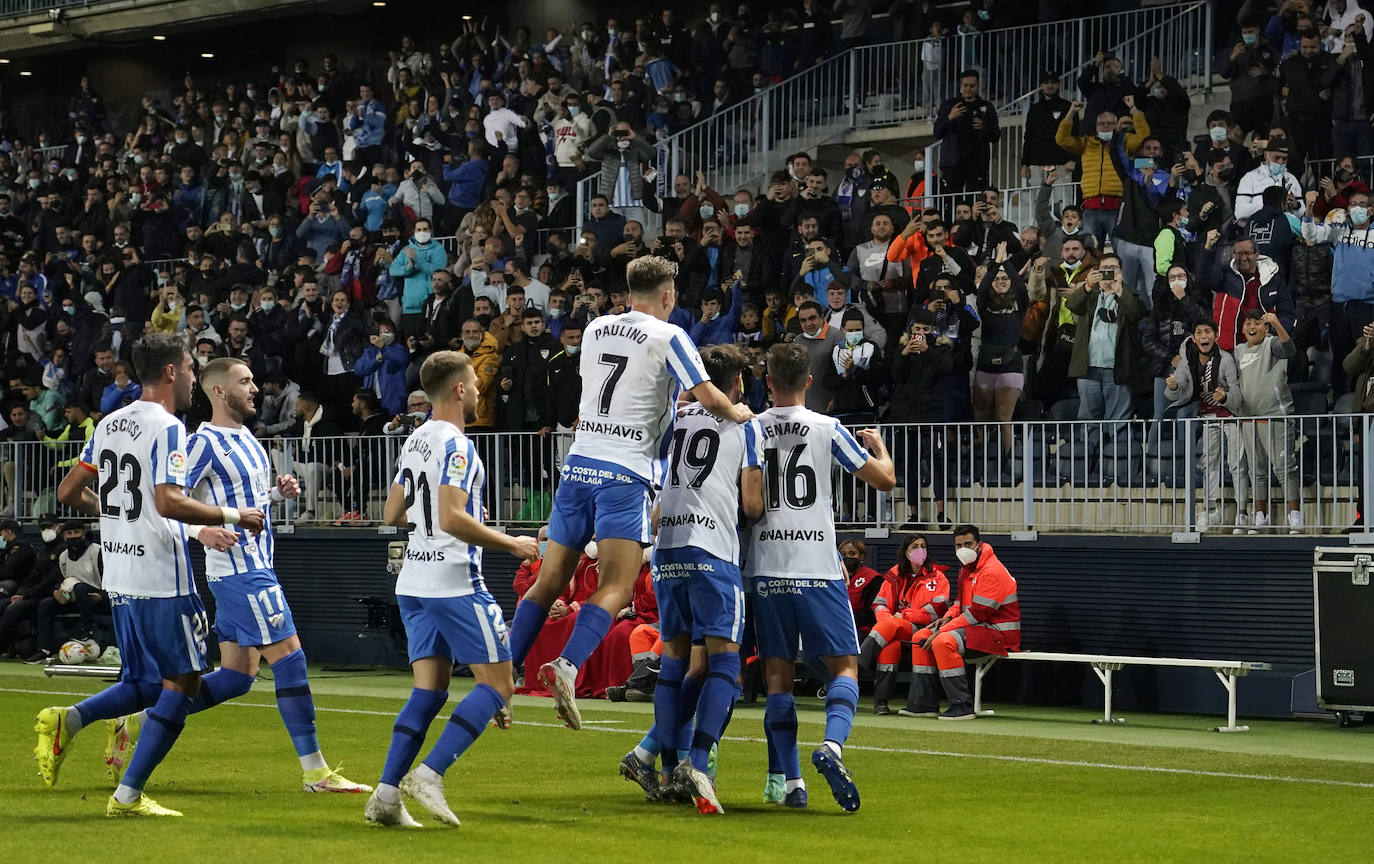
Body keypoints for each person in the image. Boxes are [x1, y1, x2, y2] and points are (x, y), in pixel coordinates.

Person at [504, 256, 752, 732]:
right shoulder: (670, 335)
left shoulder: (597, 328)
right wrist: (737, 413)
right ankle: (567, 665)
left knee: (549, 578)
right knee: (616, 586)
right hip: (625, 471)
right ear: (668, 296)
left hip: (578, 464)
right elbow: (706, 393)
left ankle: (504, 673)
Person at [103, 357, 367, 792]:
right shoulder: (201, 443)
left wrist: (275, 496)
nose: (255, 388)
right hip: (241, 571)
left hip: (254, 565)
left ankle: (142, 719)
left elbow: (246, 505)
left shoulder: (247, 437)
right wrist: (199, 530)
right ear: (219, 391)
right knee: (291, 659)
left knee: (237, 677)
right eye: (244, 381)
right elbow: (166, 502)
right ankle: (316, 773)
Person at [45, 333, 266, 816]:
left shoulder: (110, 423)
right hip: (163, 576)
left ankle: (72, 721)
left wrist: (120, 516)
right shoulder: (168, 426)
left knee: (147, 682)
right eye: (189, 368)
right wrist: (232, 515)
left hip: (120, 574)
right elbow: (168, 501)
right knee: (184, 683)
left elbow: (68, 491)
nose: (192, 377)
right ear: (171, 372)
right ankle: (128, 795)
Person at [364, 351, 540, 828]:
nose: (481, 389)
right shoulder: (459, 446)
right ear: (459, 389)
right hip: (455, 582)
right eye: (476, 383)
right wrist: (512, 542)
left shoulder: (416, 438)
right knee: (500, 685)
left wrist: (431, 529)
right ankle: (430, 775)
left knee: (430, 690)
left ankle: (384, 795)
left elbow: (391, 514)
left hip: (414, 582)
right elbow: (452, 517)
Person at [746, 341, 895, 811]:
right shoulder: (828, 427)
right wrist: (880, 447)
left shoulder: (749, 427)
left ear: (767, 383)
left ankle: (792, 785)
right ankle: (831, 746)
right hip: (817, 566)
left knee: (777, 678)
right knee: (844, 667)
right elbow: (884, 480)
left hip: (765, 566)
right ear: (809, 381)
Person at [623, 344, 764, 814]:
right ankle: (697, 764)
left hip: (667, 549)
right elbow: (751, 505)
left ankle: (661, 767)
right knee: (726, 663)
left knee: (677, 664)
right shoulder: (747, 425)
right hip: (713, 551)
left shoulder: (677, 421)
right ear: (737, 384)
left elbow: (663, 492)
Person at [906, 525, 1019, 719]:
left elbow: (978, 614)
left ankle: (961, 705)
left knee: (943, 641)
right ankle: (923, 703)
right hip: (976, 629)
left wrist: (942, 631)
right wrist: (947, 617)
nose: (963, 549)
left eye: (968, 544)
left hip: (999, 633)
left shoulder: (992, 570)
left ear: (979, 544)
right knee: (920, 636)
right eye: (958, 545)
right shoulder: (967, 569)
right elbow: (960, 602)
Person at [1166, 320, 1248, 533]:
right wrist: (1174, 386)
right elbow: (1179, 385)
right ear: (1194, 338)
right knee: (1208, 464)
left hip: (1231, 415)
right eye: (1200, 333)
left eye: (1208, 332)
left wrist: (1224, 397)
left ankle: (1242, 513)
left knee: (1236, 464)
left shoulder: (1227, 360)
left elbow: (1238, 396)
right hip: (1208, 416)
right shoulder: (1188, 360)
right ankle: (1210, 510)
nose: (1204, 336)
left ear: (1216, 335)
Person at [856, 533, 949, 716]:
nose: (920, 550)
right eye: (914, 547)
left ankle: (859, 661)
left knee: (891, 626)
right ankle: (880, 702)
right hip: (894, 628)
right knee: (890, 646)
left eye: (923, 546)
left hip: (924, 629)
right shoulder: (894, 575)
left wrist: (904, 616)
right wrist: (888, 620)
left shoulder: (938, 577)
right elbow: (879, 604)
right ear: (905, 551)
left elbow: (937, 609)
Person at [1233, 310, 1303, 533]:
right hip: (1248, 419)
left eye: (1257, 323)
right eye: (1247, 323)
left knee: (1284, 468)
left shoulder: (1272, 344)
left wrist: (1277, 323)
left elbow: (1290, 350)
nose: (1252, 327)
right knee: (1256, 471)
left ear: (1266, 328)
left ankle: (1295, 517)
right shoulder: (1238, 350)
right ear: (1242, 329)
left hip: (1275, 416)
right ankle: (1260, 516)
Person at [1066, 253, 1147, 421]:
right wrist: (1088, 285)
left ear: (1121, 271)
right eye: (1104, 268)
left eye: (1113, 268)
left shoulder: (1129, 294)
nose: (1108, 272)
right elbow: (1072, 305)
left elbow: (1138, 313)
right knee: (1088, 419)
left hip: (1117, 368)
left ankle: (1117, 448)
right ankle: (1090, 448)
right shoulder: (1090, 293)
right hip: (1088, 368)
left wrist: (1120, 291)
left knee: (1119, 420)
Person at [26, 520, 104, 665]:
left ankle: (87, 632)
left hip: (97, 597)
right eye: (69, 533)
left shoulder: (97, 551)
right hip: (71, 597)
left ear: (83, 533)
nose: (73, 536)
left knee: (80, 588)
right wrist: (57, 592)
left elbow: (109, 579)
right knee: (46, 603)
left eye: (76, 532)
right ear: (64, 535)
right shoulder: (63, 556)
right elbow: (59, 580)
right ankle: (44, 650)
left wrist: (101, 596)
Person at [932, 69, 1000, 193]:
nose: (968, 89)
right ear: (961, 86)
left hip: (977, 163)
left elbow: (995, 135)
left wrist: (984, 127)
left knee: (975, 200)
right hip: (952, 163)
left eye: (972, 86)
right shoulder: (949, 105)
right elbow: (937, 132)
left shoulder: (986, 106)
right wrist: (950, 117)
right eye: (965, 86)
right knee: (952, 200)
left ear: (978, 86)